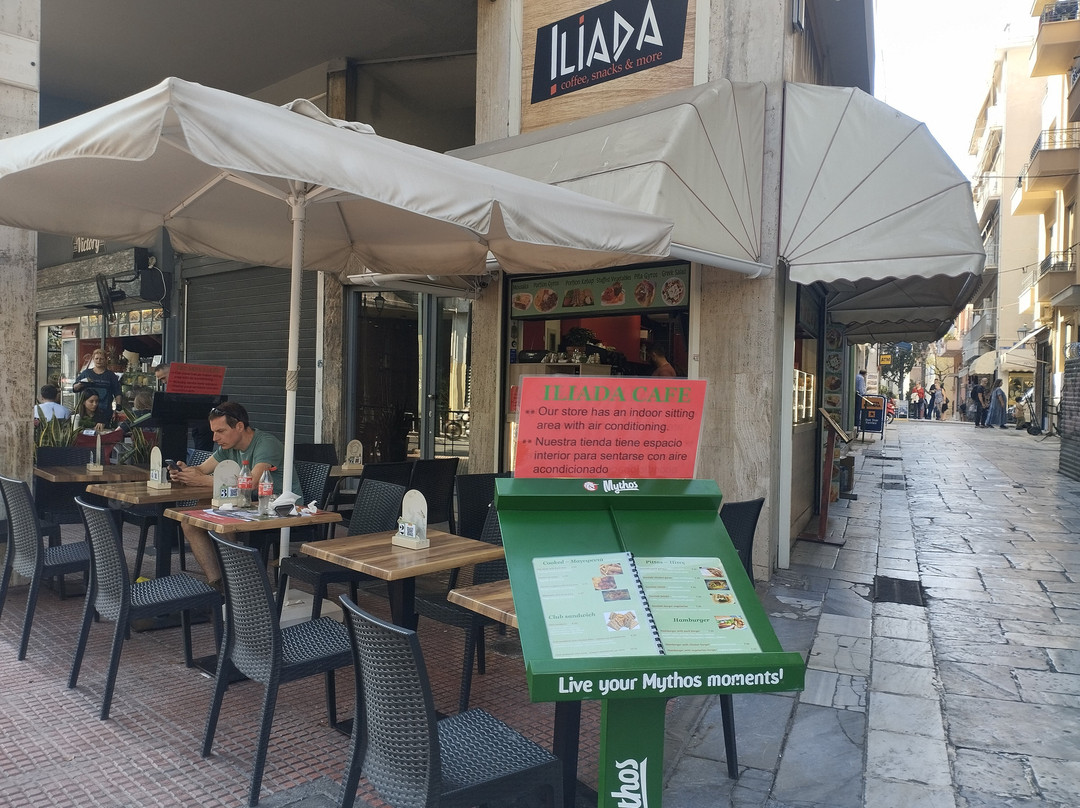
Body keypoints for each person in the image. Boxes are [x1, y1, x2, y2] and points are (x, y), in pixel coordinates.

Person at [169, 401, 301, 589]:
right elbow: (202, 469)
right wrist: (184, 472)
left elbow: (251, 483)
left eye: (220, 431)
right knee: (190, 522)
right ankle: (219, 583)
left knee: (221, 518)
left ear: (239, 426)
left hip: (279, 508)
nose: (215, 438)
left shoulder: (266, 444)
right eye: (213, 432)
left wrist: (201, 480)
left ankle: (238, 583)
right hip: (249, 504)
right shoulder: (228, 446)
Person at [72, 348, 123, 426]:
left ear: (106, 360)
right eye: (97, 358)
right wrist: (80, 384)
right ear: (93, 359)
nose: (99, 361)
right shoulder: (86, 373)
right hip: (87, 412)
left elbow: (117, 392)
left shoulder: (110, 375)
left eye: (101, 359)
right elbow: (74, 388)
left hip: (105, 411)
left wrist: (118, 406)